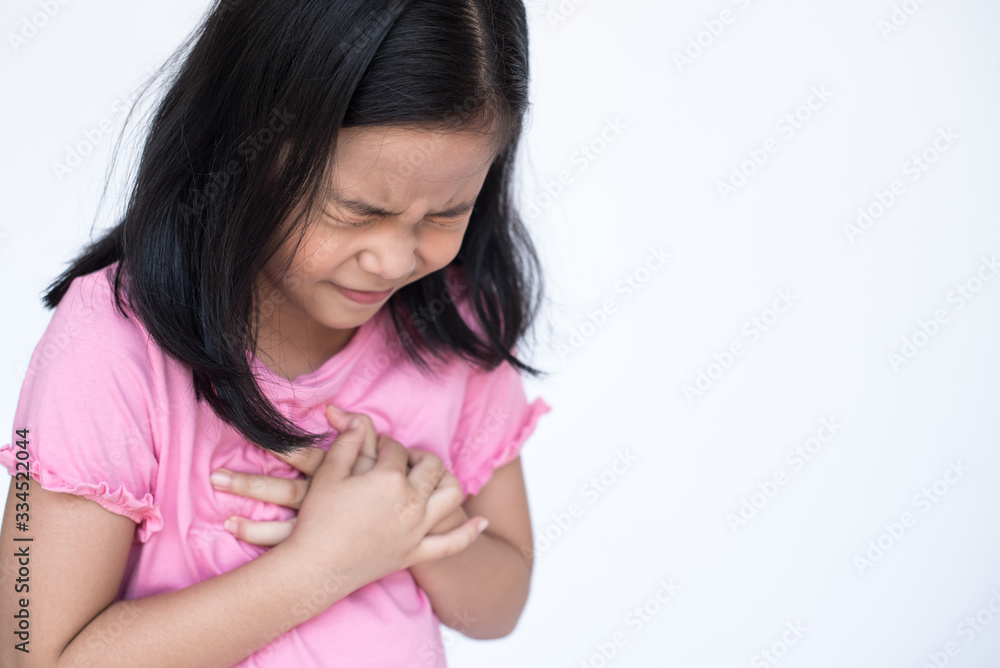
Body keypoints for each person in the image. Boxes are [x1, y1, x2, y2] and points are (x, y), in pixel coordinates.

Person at [0, 0, 552, 665]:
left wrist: (409, 514)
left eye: (446, 212)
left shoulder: (455, 328)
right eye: (355, 212)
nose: (393, 259)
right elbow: (31, 652)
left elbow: (502, 602)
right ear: (240, 147)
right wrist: (327, 563)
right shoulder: (110, 343)